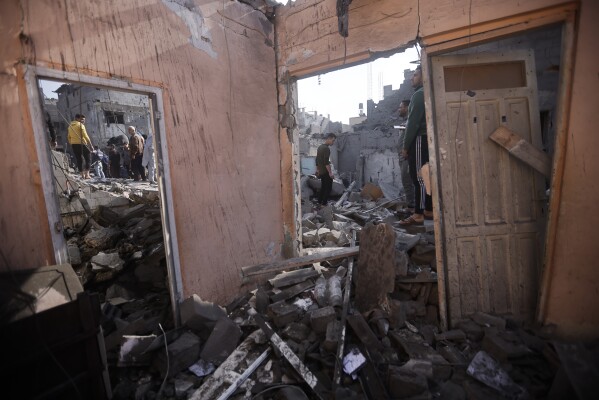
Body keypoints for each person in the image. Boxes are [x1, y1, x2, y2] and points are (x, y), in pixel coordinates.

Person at [399, 65, 433, 225]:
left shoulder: (419, 95)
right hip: (427, 139)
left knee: (418, 177)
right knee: (425, 176)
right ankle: (428, 209)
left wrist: (405, 147)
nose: (412, 78)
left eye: (415, 75)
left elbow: (412, 124)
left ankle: (418, 213)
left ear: (423, 76)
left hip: (420, 139)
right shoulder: (428, 93)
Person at [397, 100, 415, 211]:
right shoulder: (406, 122)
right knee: (406, 181)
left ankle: (412, 207)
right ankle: (411, 205)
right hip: (402, 157)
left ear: (407, 107)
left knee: (408, 181)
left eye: (401, 107)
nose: (399, 109)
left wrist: (405, 151)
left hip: (407, 157)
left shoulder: (411, 121)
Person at [67, 114, 94, 179]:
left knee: (79, 159)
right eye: (82, 119)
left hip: (74, 145)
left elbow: (68, 137)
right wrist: (91, 145)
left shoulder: (70, 126)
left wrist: (71, 143)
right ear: (77, 119)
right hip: (82, 144)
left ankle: (82, 175)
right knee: (88, 158)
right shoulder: (81, 125)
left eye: (84, 120)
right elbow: (85, 136)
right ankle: (87, 175)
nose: (83, 121)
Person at [315, 133, 337, 207]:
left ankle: (319, 202)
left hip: (321, 172)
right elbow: (326, 162)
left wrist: (318, 170)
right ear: (329, 138)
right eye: (333, 141)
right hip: (326, 172)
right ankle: (324, 204)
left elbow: (317, 160)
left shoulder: (320, 147)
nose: (333, 143)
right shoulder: (326, 149)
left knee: (323, 187)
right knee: (328, 188)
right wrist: (330, 173)